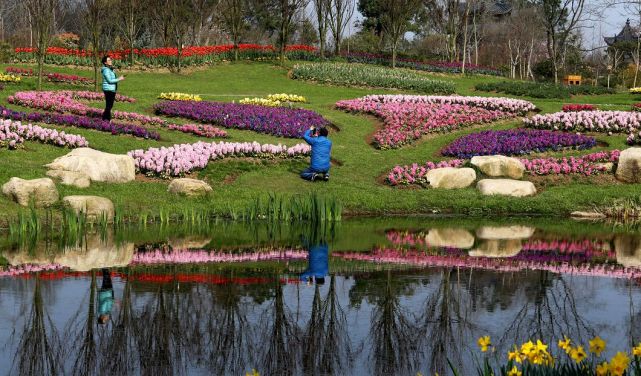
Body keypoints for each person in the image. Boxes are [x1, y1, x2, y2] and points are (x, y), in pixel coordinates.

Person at [101, 55, 124, 121]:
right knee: (109, 106)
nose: (111, 61)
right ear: (105, 63)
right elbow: (110, 80)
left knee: (109, 106)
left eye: (111, 60)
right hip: (108, 89)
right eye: (109, 60)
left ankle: (105, 119)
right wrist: (119, 79)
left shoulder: (110, 69)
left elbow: (113, 78)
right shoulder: (106, 70)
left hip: (111, 89)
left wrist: (113, 70)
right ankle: (106, 120)